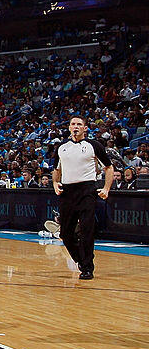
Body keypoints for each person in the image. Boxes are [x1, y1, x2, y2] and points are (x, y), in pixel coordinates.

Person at [52, 115, 113, 280]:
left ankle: (87, 268)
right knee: (65, 233)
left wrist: (106, 188)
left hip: (87, 190)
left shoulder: (94, 145)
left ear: (85, 128)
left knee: (87, 230)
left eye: (79, 124)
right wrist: (55, 183)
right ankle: (80, 259)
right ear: (69, 127)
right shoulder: (61, 147)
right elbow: (56, 169)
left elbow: (108, 167)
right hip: (67, 192)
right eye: (73, 124)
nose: (76, 126)